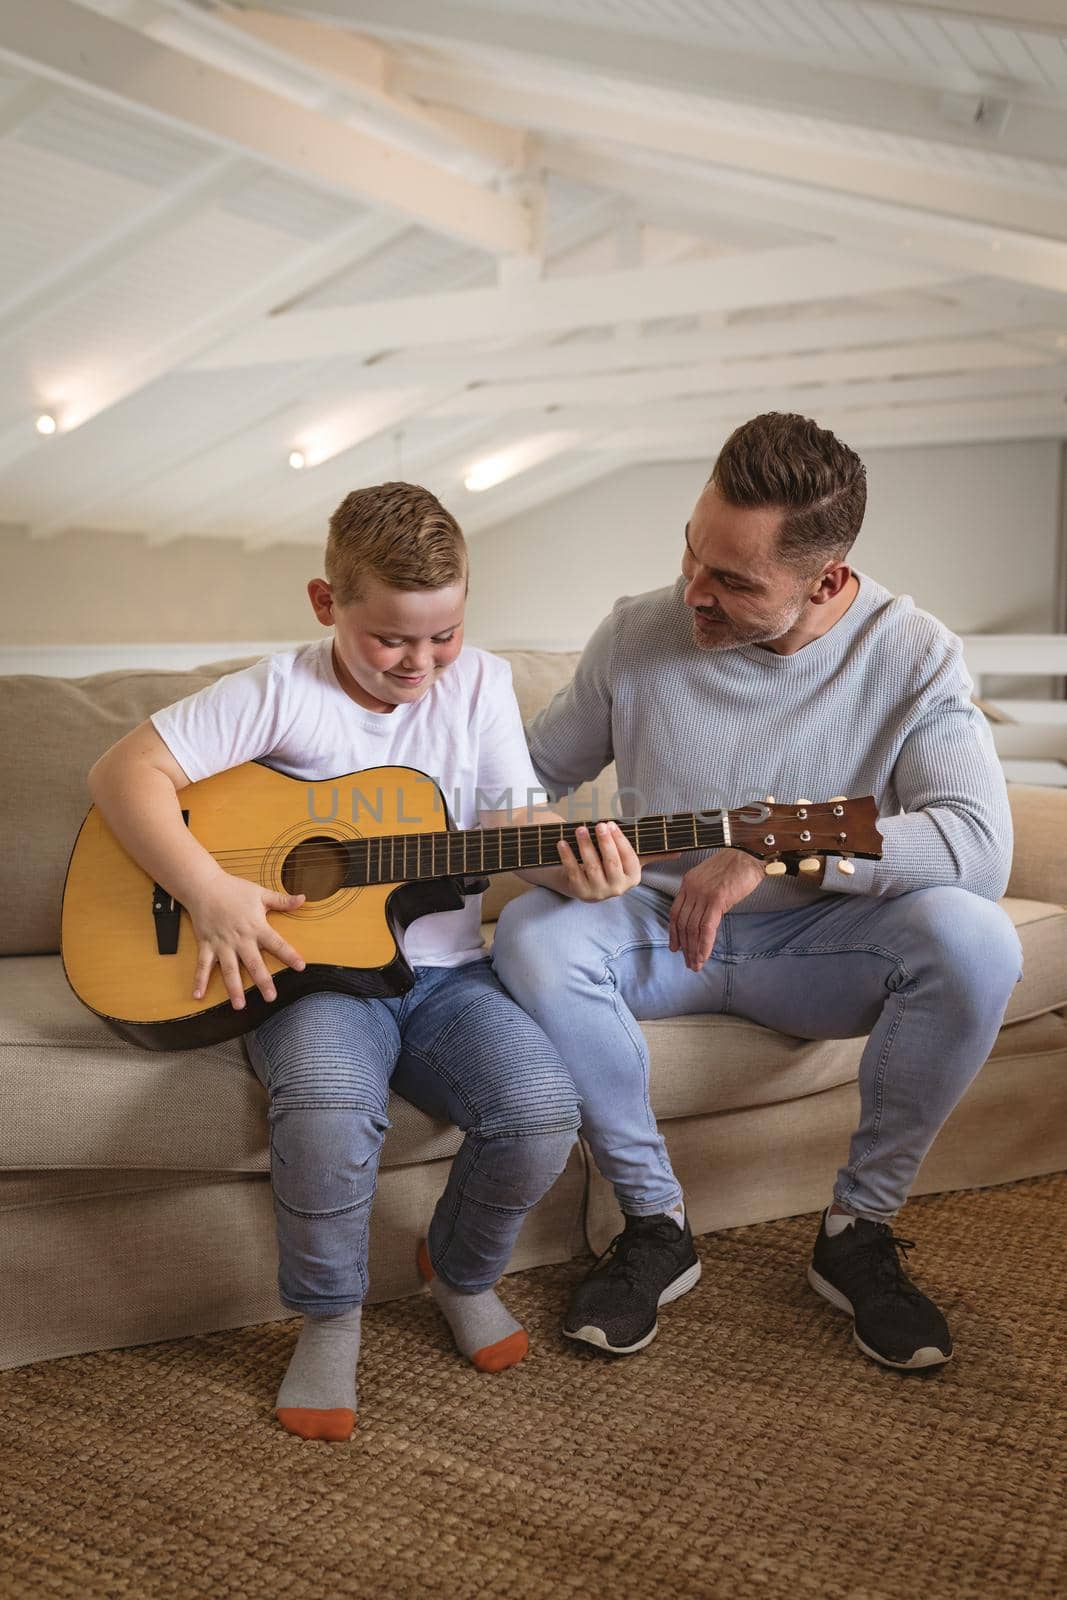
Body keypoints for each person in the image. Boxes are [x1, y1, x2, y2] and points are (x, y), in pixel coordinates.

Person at [86, 482, 642, 1442]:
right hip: (313, 979)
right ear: (324, 602)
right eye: (390, 638)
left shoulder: (480, 685)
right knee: (328, 1108)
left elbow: (511, 822)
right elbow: (121, 774)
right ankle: (329, 1316)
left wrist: (575, 865)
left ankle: (458, 1271)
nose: (420, 663)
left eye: (444, 635)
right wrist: (211, 891)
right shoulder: (279, 689)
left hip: (445, 978)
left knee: (543, 1110)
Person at [492, 412, 1023, 1372]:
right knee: (532, 932)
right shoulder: (639, 630)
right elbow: (517, 784)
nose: (692, 593)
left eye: (732, 581)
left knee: (976, 938)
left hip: (822, 947)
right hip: (657, 933)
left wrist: (774, 839)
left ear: (825, 581)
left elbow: (977, 844)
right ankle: (652, 1225)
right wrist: (546, 847)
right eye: (692, 555)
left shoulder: (913, 655)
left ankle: (856, 1230)